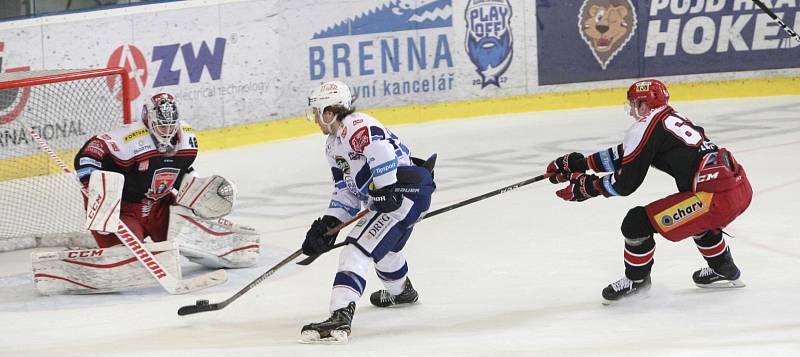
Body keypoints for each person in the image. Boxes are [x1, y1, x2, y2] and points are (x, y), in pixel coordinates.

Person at [545, 79, 752, 304]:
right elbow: (625, 154)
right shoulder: (671, 118)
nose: (632, 110)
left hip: (714, 199)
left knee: (636, 223)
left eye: (634, 104)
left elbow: (626, 184)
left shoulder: (644, 126)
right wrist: (581, 164)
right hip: (738, 189)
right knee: (699, 219)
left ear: (645, 104)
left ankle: (637, 281)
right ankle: (724, 269)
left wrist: (588, 187)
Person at [299, 81, 436, 344]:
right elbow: (345, 191)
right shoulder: (333, 145)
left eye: (316, 113)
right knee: (384, 252)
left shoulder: (355, 125)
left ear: (329, 112)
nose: (315, 119)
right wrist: (329, 225)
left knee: (356, 249)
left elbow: (380, 150)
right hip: (401, 196)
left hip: (406, 192)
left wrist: (385, 190)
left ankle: (340, 313)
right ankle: (402, 292)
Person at [74, 92, 197, 248]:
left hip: (158, 207)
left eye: (171, 125)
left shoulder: (186, 139)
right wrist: (89, 181)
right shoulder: (130, 137)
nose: (167, 130)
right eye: (162, 125)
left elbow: (179, 169)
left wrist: (193, 189)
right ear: (150, 120)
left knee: (191, 240)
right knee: (128, 255)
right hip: (122, 210)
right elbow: (93, 149)